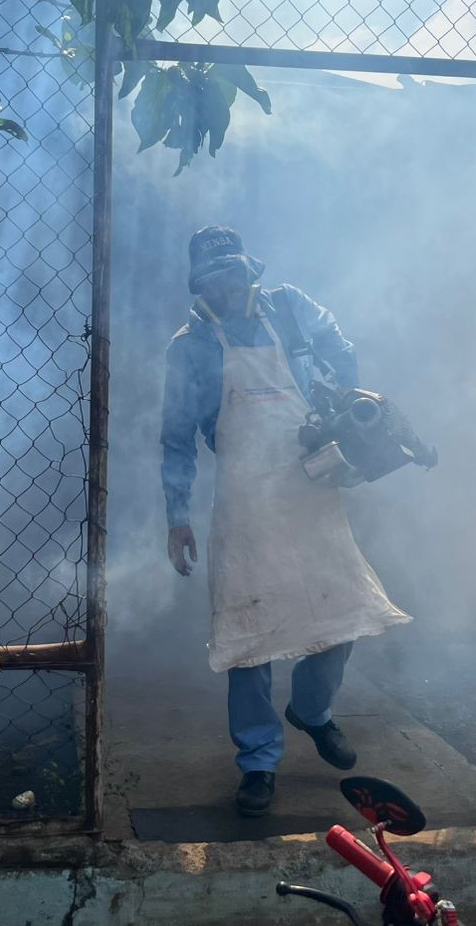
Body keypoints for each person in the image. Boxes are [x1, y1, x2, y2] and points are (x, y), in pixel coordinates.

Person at [160, 226, 410, 816]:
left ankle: (312, 711)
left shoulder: (291, 309)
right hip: (244, 499)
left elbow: (339, 346)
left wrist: (339, 398)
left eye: (233, 273)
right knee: (250, 634)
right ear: (200, 285)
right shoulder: (190, 346)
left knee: (344, 610)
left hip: (310, 486)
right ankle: (258, 761)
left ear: (248, 270)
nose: (226, 286)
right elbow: (175, 437)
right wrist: (178, 516)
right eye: (213, 279)